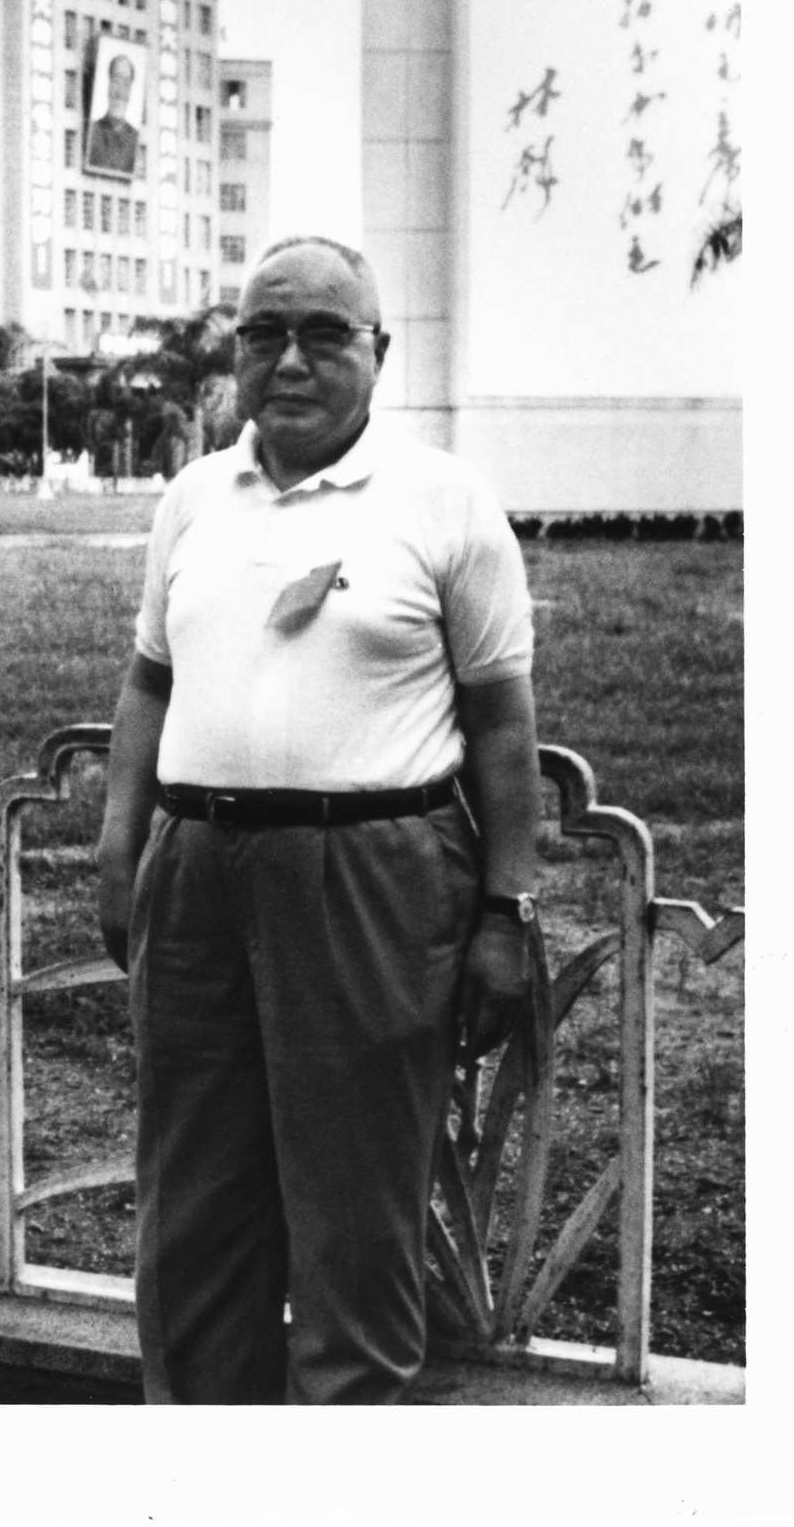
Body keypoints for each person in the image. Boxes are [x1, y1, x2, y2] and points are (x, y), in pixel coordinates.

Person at [96, 236, 540, 1405]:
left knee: (353, 1214)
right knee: (192, 1204)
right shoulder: (194, 497)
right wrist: (119, 843)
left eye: (322, 334)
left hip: (371, 874)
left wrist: (507, 908)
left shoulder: (444, 501)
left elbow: (502, 726)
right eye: (262, 334)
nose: (288, 360)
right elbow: (148, 682)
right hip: (194, 870)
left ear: (377, 351)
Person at [85, 53, 139, 177]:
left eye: (126, 83)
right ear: (108, 83)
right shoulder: (92, 132)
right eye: (116, 80)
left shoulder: (135, 140)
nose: (120, 92)